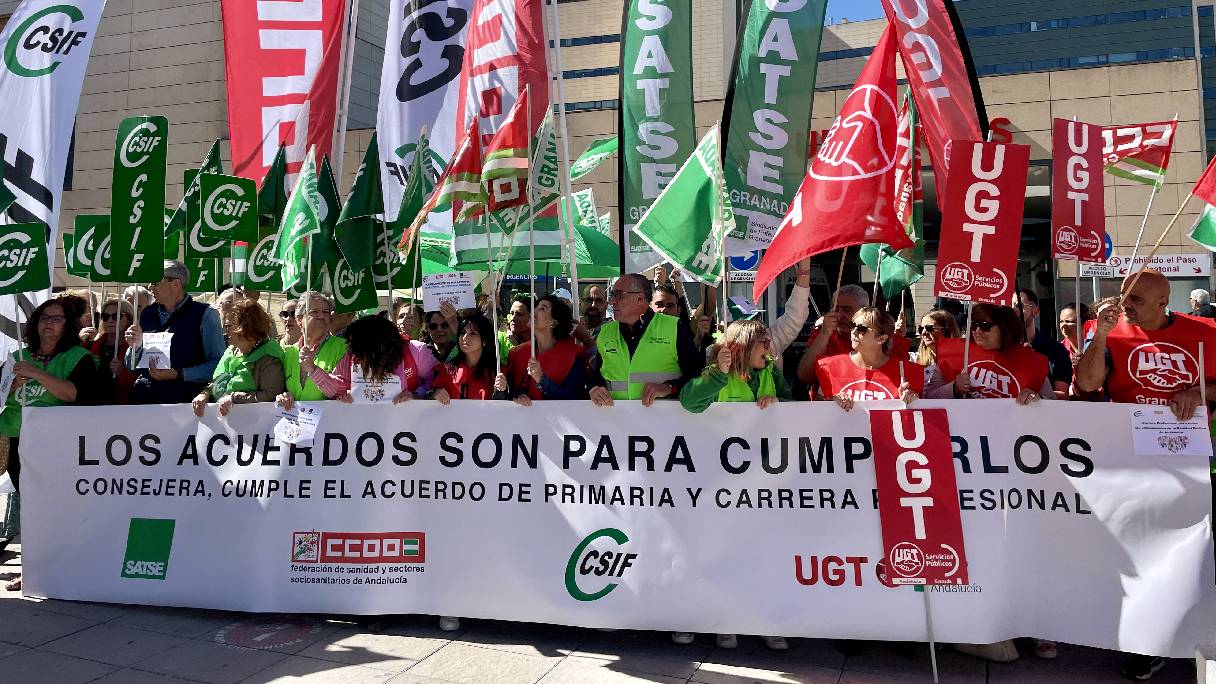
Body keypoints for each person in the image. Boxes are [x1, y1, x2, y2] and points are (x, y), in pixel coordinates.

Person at [1075, 270, 1216, 680]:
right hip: (1131, 462)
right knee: (1140, 552)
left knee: (1193, 554)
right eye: (1123, 295)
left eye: (1136, 299)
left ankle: (1192, 632)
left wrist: (1200, 393)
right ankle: (1148, 641)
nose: (1125, 303)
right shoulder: (1107, 331)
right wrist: (1100, 335)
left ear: (1162, 303)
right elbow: (1086, 386)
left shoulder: (1204, 332)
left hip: (1192, 464)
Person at [677, 320, 791, 651]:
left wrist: (781, 406)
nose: (769, 349)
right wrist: (716, 374)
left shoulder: (771, 372)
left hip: (763, 482)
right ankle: (723, 621)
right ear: (741, 346)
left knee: (760, 554)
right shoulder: (717, 372)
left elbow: (795, 404)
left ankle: (763, 622)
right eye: (762, 343)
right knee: (722, 553)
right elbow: (690, 402)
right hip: (720, 482)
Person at [0, 296, 97, 592]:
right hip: (18, 440)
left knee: (56, 507)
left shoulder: (77, 357)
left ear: (67, 325)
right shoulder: (17, 355)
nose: (49, 324)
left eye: (56, 319)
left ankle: (67, 564)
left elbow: (72, 394)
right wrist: (11, 386)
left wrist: (37, 374)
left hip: (56, 443)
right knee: (30, 507)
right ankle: (33, 569)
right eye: (44, 318)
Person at [588, 273, 704, 407]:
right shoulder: (606, 333)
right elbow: (598, 376)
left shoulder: (673, 327)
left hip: (663, 422)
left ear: (640, 298)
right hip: (618, 422)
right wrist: (594, 388)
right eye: (612, 295)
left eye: (618, 295)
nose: (611, 301)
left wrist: (670, 387)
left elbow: (699, 375)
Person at [126, 260, 226, 404]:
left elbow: (219, 364)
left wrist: (179, 374)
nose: (150, 287)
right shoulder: (148, 313)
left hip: (185, 404)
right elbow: (130, 365)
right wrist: (134, 347)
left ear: (176, 284)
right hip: (146, 400)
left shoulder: (205, 314)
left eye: (155, 282)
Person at [286, 314, 433, 405]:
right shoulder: (352, 354)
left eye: (360, 350)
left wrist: (417, 394)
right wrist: (343, 396)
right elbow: (339, 386)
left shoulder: (416, 351)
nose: (354, 353)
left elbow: (437, 381)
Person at [924, 304, 1053, 404]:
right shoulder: (954, 354)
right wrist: (954, 388)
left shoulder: (1029, 362)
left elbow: (1052, 401)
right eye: (974, 325)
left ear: (1005, 328)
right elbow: (929, 396)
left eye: (985, 326)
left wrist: (1037, 399)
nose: (977, 331)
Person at [796, 284, 910, 385]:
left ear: (863, 311)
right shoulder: (824, 333)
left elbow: (902, 377)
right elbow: (805, 376)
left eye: (847, 310)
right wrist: (824, 334)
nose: (839, 315)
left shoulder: (884, 338)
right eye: (836, 309)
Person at [812, 307, 922, 408]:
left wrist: (914, 401)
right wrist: (832, 401)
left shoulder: (909, 371)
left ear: (881, 339)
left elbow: (923, 416)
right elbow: (816, 409)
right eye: (852, 325)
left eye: (861, 329)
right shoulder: (829, 366)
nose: (853, 332)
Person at [192, 300, 286, 417]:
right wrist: (205, 394)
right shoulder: (231, 350)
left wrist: (234, 398)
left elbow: (272, 395)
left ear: (245, 326)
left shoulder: (269, 356)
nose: (224, 332)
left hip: (254, 427)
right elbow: (219, 383)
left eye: (228, 326)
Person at [504, 295, 589, 404]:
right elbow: (509, 394)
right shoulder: (516, 353)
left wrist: (541, 380)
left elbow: (574, 399)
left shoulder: (573, 357)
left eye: (542, 308)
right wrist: (517, 396)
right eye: (536, 307)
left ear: (554, 322)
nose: (534, 311)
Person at [280, 293, 350, 402]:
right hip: (295, 417)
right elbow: (282, 388)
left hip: (329, 417)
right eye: (314, 312)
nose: (321, 316)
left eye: (326, 312)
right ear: (299, 319)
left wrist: (313, 370)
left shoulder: (343, 347)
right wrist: (283, 396)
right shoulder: (289, 352)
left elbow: (343, 390)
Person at [431, 314, 509, 405]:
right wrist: (434, 393)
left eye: (473, 333)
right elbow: (428, 397)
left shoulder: (499, 372)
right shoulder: (448, 369)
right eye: (463, 332)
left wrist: (502, 392)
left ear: (485, 341)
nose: (464, 338)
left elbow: (507, 407)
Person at [1018, 291, 1071, 399]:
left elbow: (1063, 395)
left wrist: (1039, 396)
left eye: (1019, 305)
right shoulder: (999, 346)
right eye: (1008, 306)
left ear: (1035, 311)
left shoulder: (1055, 350)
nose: (1014, 310)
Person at [88, 298, 137, 404]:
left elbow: (140, 385)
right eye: (105, 317)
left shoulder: (135, 347)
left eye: (116, 316)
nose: (110, 320)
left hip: (122, 407)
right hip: (94, 406)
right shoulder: (92, 345)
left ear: (128, 319)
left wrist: (121, 373)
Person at [768, 258, 813, 370]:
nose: (764, 344)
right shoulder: (721, 362)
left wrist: (804, 265)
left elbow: (795, 316)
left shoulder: (768, 341)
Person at [500, 293, 532, 360]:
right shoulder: (499, 340)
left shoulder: (541, 344)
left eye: (519, 314)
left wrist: (518, 347)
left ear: (533, 317)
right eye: (511, 313)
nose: (513, 318)